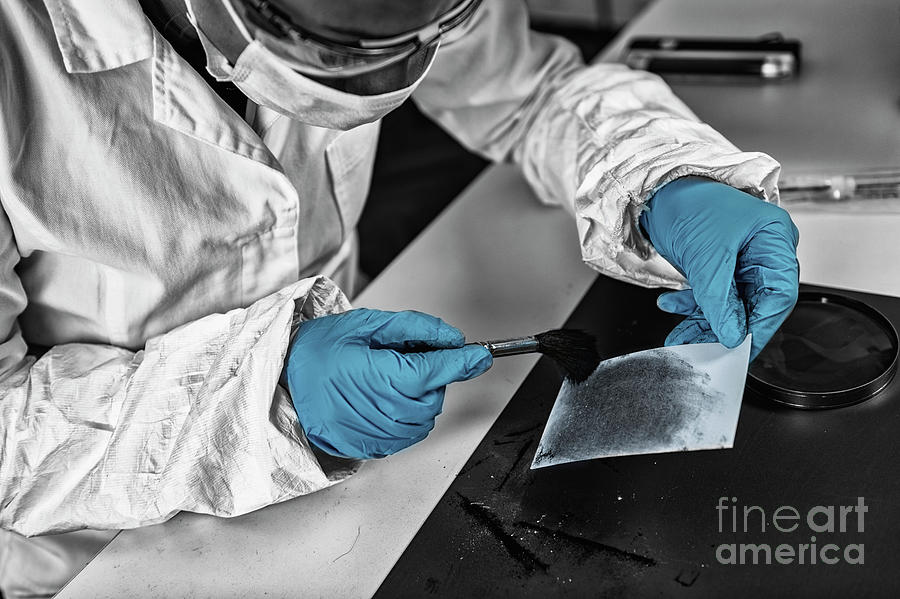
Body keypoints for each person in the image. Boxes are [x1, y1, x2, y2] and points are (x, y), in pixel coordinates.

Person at [0, 0, 799, 595]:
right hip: (102, 554)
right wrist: (261, 396)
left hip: (356, 503)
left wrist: (664, 177)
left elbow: (529, 91)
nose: (389, 77)